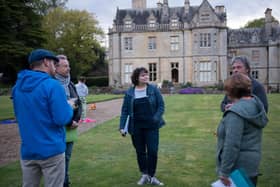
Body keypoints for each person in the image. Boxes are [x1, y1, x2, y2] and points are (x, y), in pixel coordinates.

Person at [12, 49, 73, 187]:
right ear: (46, 62)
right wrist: (69, 106)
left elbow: (19, 115)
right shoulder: (52, 85)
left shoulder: (17, 87)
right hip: (51, 149)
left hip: (28, 150)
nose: (55, 66)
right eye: (53, 62)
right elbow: (62, 119)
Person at [216, 73, 268, 187]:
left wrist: (224, 172)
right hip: (251, 166)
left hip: (236, 170)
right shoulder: (255, 104)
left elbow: (232, 145)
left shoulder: (235, 113)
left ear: (231, 91)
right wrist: (236, 107)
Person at [119, 67, 165, 186]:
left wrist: (155, 118)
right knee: (140, 152)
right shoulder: (130, 92)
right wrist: (122, 126)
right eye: (143, 75)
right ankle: (144, 174)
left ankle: (152, 176)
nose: (146, 77)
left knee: (153, 151)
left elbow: (161, 106)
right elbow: (124, 111)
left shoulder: (153, 89)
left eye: (147, 75)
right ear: (136, 78)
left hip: (152, 127)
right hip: (136, 127)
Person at [55, 55, 82, 187]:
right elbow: (56, 109)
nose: (68, 68)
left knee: (66, 159)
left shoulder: (70, 84)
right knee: (57, 162)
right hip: (59, 129)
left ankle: (65, 182)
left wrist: (76, 119)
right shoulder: (53, 84)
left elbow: (79, 104)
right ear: (56, 67)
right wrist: (69, 122)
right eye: (65, 66)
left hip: (71, 130)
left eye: (68, 65)